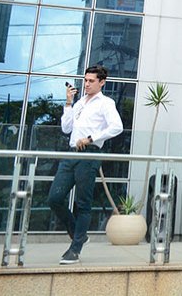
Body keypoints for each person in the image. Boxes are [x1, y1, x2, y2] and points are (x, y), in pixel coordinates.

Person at [49, 65, 123, 265]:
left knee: (83, 203)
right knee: (54, 198)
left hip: (89, 153)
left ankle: (75, 249)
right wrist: (68, 103)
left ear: (102, 82)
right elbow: (66, 128)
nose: (87, 84)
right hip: (72, 153)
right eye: (85, 80)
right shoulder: (80, 102)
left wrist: (91, 138)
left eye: (91, 81)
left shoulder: (106, 103)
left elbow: (117, 127)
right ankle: (78, 233)